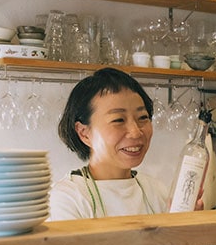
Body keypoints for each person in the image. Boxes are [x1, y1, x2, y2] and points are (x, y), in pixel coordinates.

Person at [49, 68, 171, 220]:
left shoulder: (156, 191)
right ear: (84, 133)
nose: (136, 132)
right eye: (118, 120)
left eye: (142, 117)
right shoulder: (68, 198)